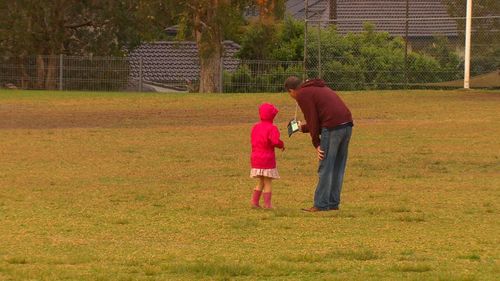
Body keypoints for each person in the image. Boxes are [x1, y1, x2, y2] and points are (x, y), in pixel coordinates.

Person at [284, 76, 353, 212]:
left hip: (332, 127)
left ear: (292, 91)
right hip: (346, 125)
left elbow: (313, 120)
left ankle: (321, 204)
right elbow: (318, 119)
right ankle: (333, 203)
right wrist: (302, 128)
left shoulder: (302, 94)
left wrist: (317, 143)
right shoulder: (315, 88)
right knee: (338, 166)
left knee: (326, 166)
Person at [250, 103, 285, 209]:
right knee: (268, 181)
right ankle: (267, 204)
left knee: (261, 180)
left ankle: (254, 202)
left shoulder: (255, 127)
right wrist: (281, 144)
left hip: (256, 158)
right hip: (267, 159)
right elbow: (274, 141)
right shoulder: (272, 128)